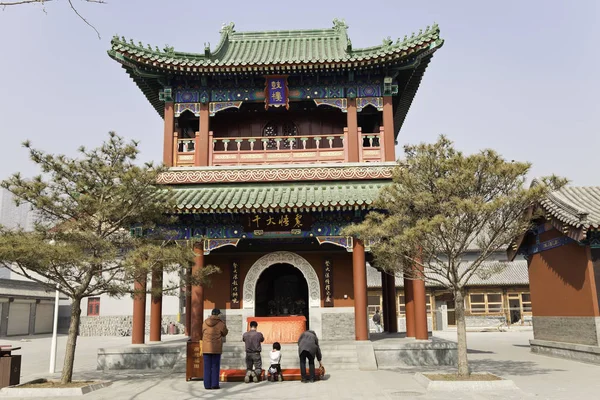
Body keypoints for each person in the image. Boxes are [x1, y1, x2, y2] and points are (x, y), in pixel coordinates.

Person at [202, 308, 228, 390]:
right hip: (216, 348)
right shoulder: (220, 323)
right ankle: (214, 384)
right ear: (218, 314)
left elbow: (202, 331)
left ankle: (207, 385)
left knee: (206, 367)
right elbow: (225, 333)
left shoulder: (205, 322)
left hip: (206, 348)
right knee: (215, 366)